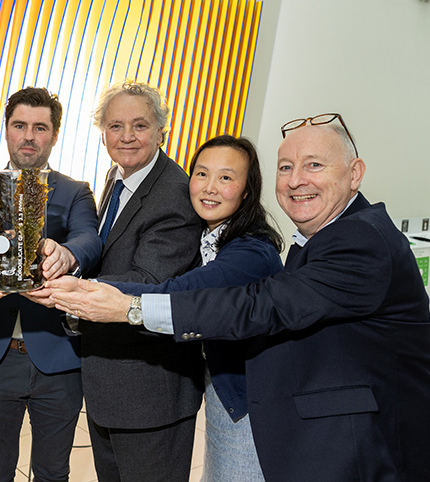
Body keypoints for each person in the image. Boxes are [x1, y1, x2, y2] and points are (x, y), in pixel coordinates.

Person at [48, 113, 430, 481]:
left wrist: (124, 306)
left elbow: (258, 305)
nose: (295, 180)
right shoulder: (316, 236)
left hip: (378, 438)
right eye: (286, 167)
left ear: (355, 174)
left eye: (314, 165)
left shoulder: (358, 238)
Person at [45, 134, 282, 480]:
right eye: (201, 174)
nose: (210, 188)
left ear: (247, 190)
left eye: (226, 177)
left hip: (252, 403)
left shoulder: (251, 252)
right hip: (223, 392)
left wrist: (87, 289)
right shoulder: (208, 237)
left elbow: (180, 292)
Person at [0, 87, 101, 482]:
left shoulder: (74, 190)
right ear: (7, 129)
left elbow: (89, 239)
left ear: (54, 134)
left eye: (40, 127)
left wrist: (68, 255)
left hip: (57, 356)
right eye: (20, 125)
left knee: (52, 472)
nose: (29, 135)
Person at [79, 81, 203, 481]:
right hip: (112, 385)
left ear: (161, 131)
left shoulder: (175, 195)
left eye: (139, 126)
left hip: (150, 393)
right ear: (102, 133)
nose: (127, 137)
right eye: (116, 126)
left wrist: (67, 291)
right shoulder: (118, 178)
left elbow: (146, 282)